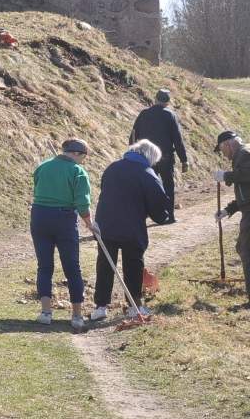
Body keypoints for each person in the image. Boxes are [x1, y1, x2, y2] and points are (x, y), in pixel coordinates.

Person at [90, 140, 170, 322]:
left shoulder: (112, 167)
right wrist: (162, 216)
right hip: (132, 228)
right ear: (150, 157)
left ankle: (101, 306)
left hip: (106, 225)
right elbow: (158, 203)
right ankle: (134, 306)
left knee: (105, 265)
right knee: (133, 265)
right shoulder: (147, 174)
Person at [31, 138, 98, 331]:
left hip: (39, 216)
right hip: (63, 219)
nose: (84, 161)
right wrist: (89, 223)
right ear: (76, 153)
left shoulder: (43, 166)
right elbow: (82, 202)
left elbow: (37, 186)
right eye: (84, 157)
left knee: (44, 265)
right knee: (72, 267)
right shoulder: (77, 172)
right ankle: (77, 316)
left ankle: (45, 313)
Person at [129, 88, 188, 223]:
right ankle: (170, 216)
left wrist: (132, 155)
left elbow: (133, 136)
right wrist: (184, 160)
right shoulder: (170, 115)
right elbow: (177, 140)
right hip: (165, 157)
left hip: (146, 158)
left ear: (155, 99)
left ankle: (147, 216)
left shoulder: (143, 114)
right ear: (168, 102)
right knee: (168, 186)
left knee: (148, 186)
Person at [213, 130, 250, 306]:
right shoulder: (242, 157)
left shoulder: (244, 154)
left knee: (246, 251)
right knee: (243, 248)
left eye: (222, 150)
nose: (223, 154)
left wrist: (226, 176)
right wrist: (228, 210)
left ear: (228, 144)